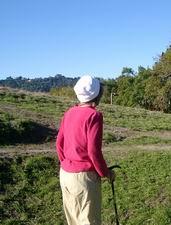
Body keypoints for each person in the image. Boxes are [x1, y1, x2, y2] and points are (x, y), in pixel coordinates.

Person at [56, 75, 115, 225]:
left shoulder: (69, 113)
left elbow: (59, 143)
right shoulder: (94, 115)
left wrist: (67, 163)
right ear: (97, 94)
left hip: (65, 174)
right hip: (84, 178)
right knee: (89, 221)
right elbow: (93, 151)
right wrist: (105, 173)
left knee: (73, 220)